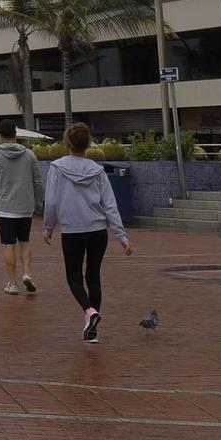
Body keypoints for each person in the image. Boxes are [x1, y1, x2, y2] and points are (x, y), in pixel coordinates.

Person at [43, 122, 132, 343]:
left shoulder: (56, 168)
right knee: (93, 276)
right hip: (97, 230)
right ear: (88, 144)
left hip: (72, 230)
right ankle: (92, 330)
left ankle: (89, 311)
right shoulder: (97, 170)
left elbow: (51, 202)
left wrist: (48, 227)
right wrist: (122, 236)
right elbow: (110, 204)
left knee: (73, 277)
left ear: (67, 143)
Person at [0, 117, 45, 295]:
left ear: (0, 135)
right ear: (16, 134)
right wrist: (39, 202)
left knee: (8, 244)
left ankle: (12, 283)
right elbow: (38, 180)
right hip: (25, 206)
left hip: (5, 207)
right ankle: (27, 273)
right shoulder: (29, 155)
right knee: (24, 241)